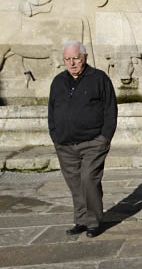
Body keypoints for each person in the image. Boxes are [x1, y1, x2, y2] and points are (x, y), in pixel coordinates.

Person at [48, 41, 117, 239]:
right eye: (67, 59)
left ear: (85, 58)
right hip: (65, 143)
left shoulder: (99, 78)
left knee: (88, 179)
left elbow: (110, 109)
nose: (72, 63)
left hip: (93, 141)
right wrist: (55, 135)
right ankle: (81, 220)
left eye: (76, 58)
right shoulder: (58, 81)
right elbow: (51, 110)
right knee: (75, 184)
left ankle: (94, 222)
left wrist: (105, 137)